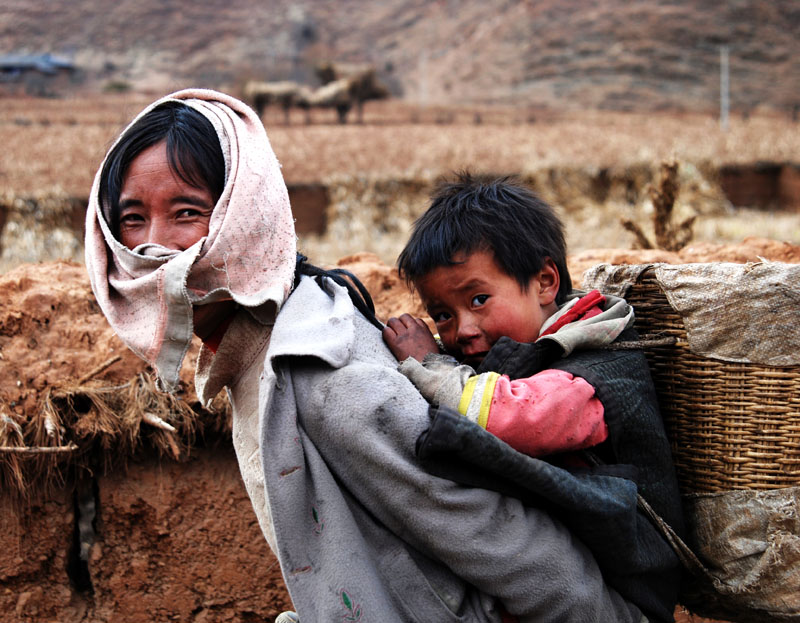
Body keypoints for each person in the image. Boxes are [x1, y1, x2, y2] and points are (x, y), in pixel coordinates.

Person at [85, 89, 654, 623]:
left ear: (246, 218)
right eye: (131, 218)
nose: (151, 246)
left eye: (186, 213)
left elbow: (505, 542)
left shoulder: (325, 380)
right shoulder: (266, 351)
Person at [382, 174, 684, 622]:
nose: (462, 329)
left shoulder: (594, 368)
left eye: (479, 299)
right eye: (443, 314)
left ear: (545, 282)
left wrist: (431, 365)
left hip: (619, 592)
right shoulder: (525, 347)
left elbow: (509, 416)